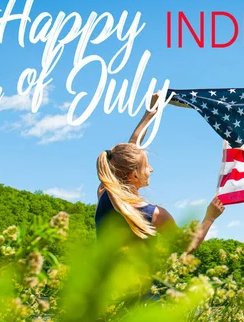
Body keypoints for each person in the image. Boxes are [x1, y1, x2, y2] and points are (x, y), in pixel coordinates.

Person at [95, 94, 225, 254]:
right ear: (133, 175)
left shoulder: (104, 194)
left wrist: (151, 111)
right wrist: (209, 217)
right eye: (146, 166)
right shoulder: (155, 215)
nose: (151, 169)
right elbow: (186, 247)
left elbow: (129, 151)